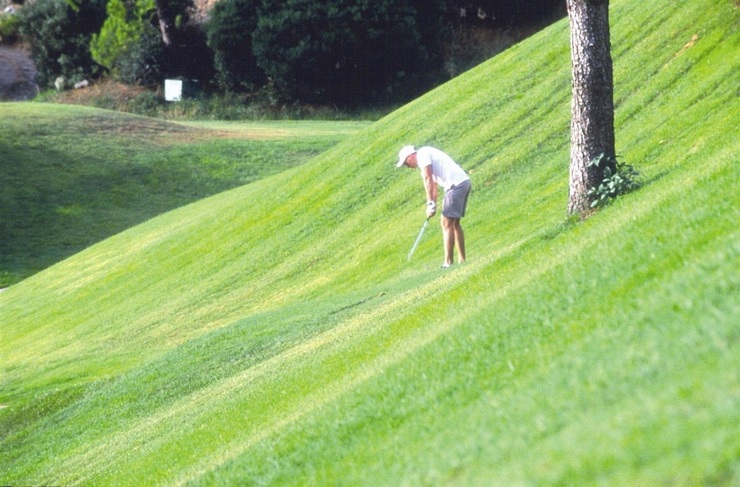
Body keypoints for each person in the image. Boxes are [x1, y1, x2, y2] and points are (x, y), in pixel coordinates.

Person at [396, 145, 471, 268]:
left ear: (410, 157)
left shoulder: (423, 154)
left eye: (406, 163)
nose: (407, 166)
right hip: (463, 183)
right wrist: (433, 205)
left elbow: (428, 179)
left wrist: (430, 203)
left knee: (446, 224)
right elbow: (433, 187)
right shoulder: (425, 158)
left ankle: (448, 262)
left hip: (455, 186)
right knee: (455, 224)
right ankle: (462, 261)